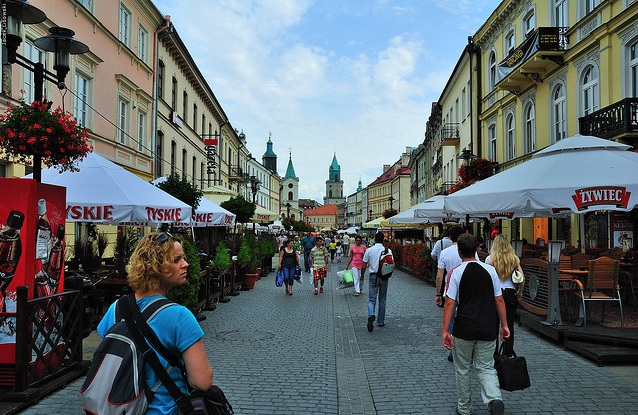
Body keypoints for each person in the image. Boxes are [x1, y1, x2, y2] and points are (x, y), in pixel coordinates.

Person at [97, 232, 213, 415]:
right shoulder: (179, 316)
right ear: (156, 267)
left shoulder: (116, 309)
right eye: (176, 260)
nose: (186, 264)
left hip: (124, 409)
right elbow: (202, 381)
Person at [442, 233, 509, 415]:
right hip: (488, 326)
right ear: (476, 249)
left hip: (464, 327)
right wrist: (504, 325)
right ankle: (494, 399)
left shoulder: (457, 272)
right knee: (486, 367)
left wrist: (445, 330)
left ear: (459, 251)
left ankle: (464, 408)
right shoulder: (490, 270)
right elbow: (499, 299)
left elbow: (450, 302)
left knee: (462, 369)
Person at [485, 234, 524, 357]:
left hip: (495, 293)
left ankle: (494, 353)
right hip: (510, 292)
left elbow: (487, 279)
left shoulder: (490, 259)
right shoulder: (514, 259)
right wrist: (520, 292)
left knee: (494, 324)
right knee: (509, 324)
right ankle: (507, 353)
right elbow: (522, 278)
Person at [361, 232, 392, 332]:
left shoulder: (369, 250)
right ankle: (381, 321)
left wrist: (362, 275)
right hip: (384, 277)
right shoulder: (388, 250)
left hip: (373, 276)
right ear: (383, 240)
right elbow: (393, 265)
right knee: (382, 299)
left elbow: (364, 265)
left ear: (374, 239)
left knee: (371, 299)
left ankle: (371, 314)